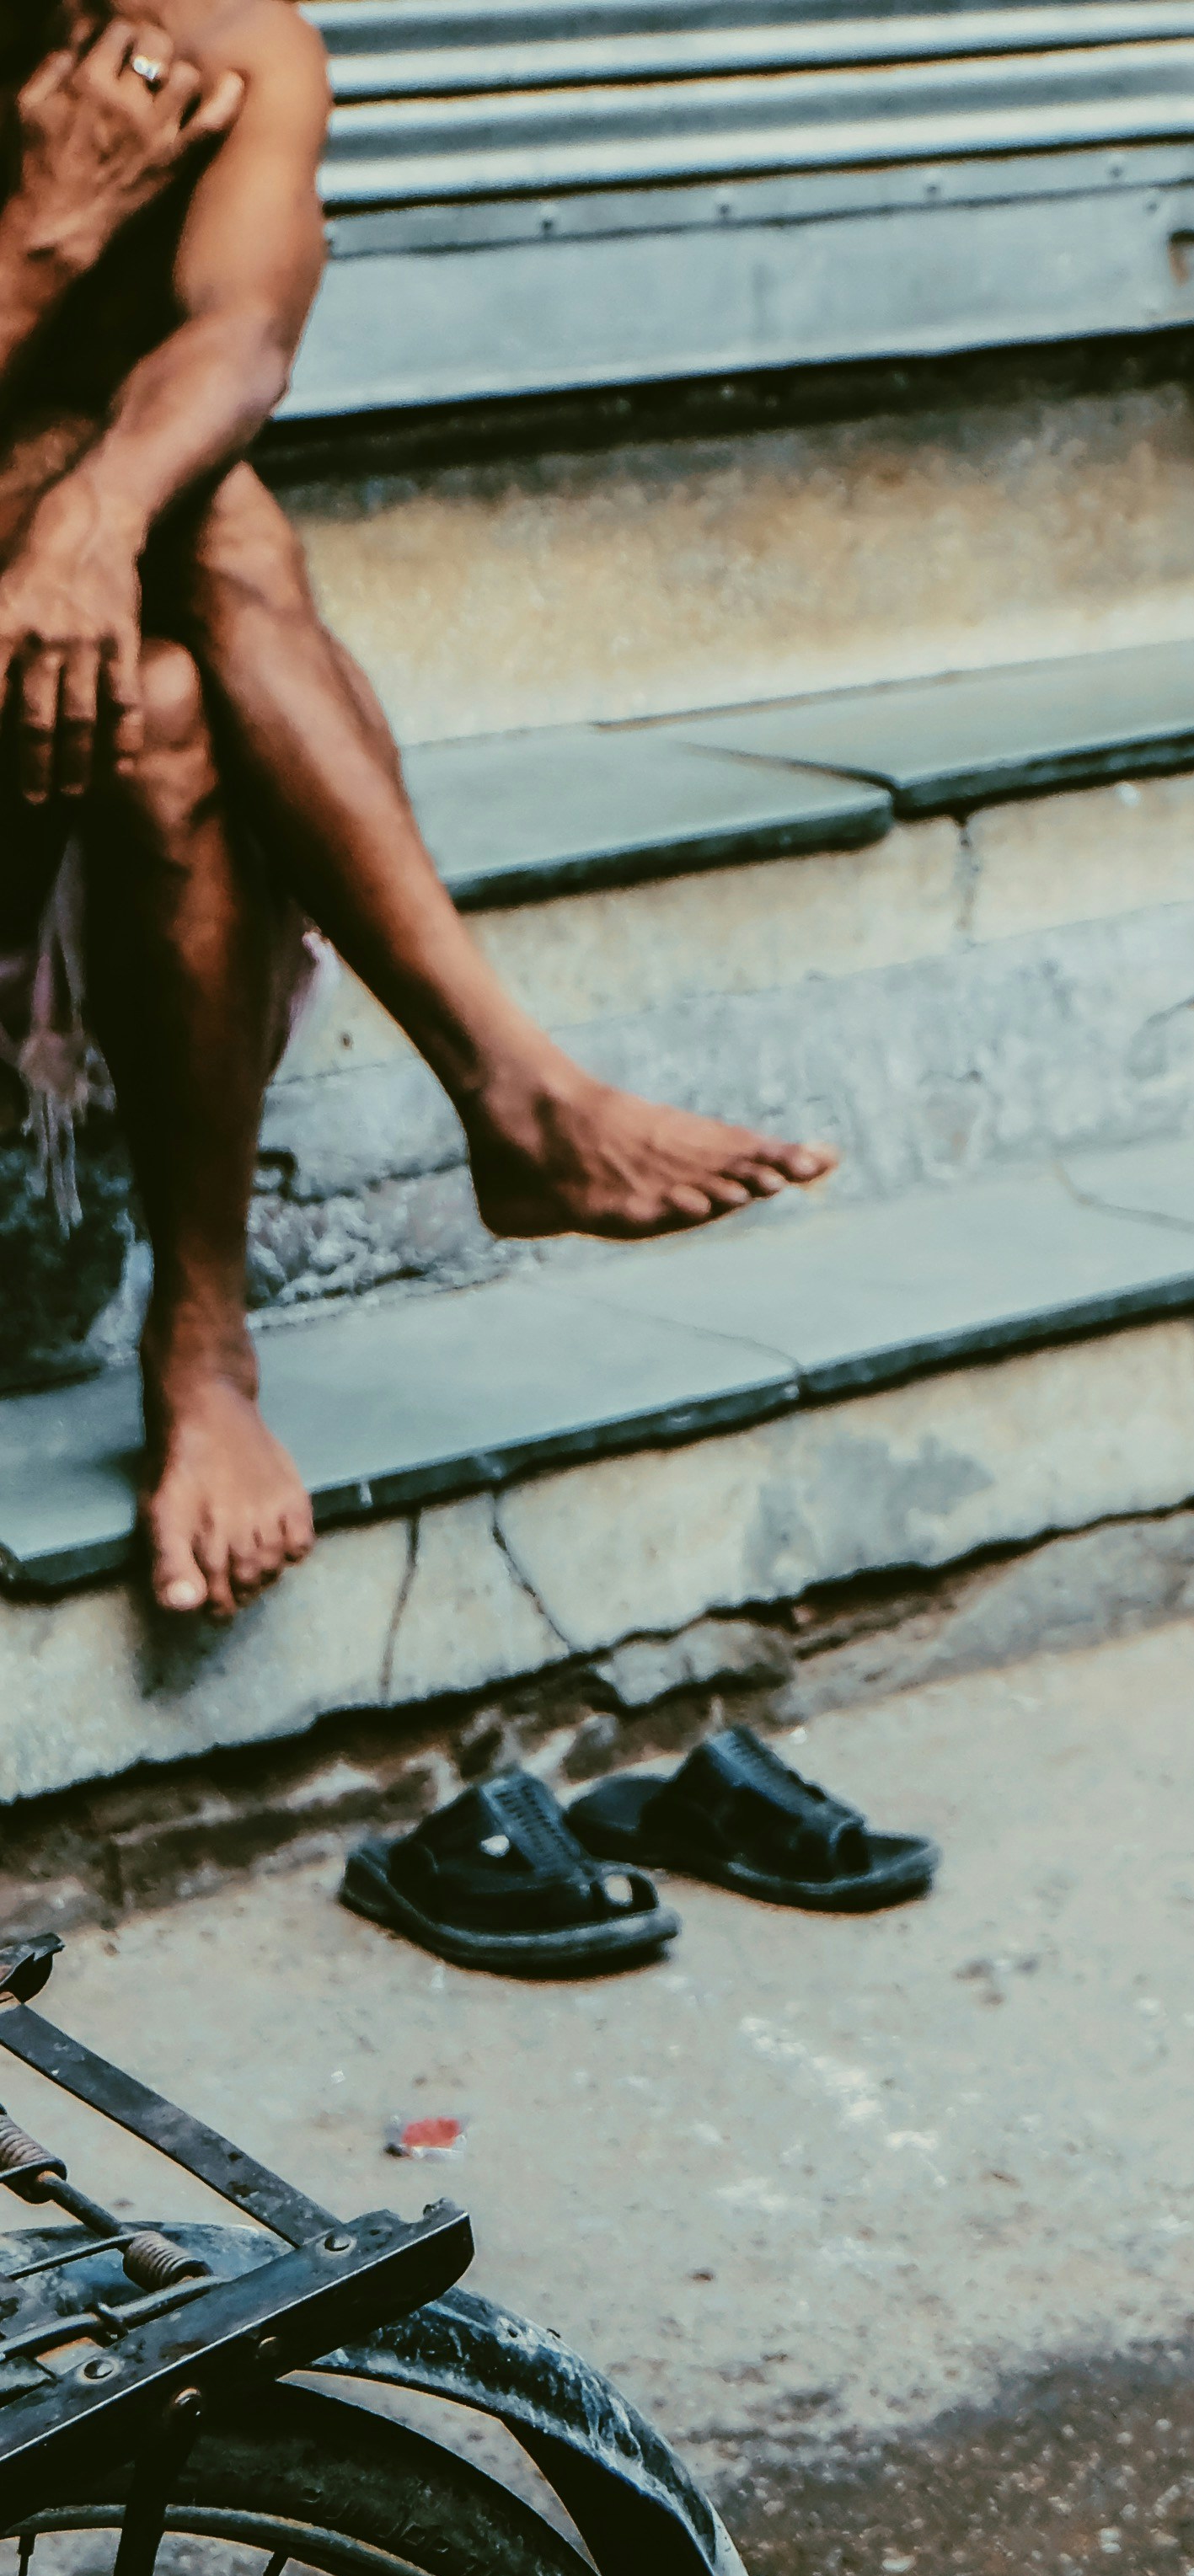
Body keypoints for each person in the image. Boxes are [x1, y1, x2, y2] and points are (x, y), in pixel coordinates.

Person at [0, 0, 832, 1622]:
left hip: (64, 677)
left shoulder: (224, 39)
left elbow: (241, 337)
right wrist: (40, 243)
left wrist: (97, 513)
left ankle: (208, 1352)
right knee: (205, 520)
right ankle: (511, 1096)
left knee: (183, 641)